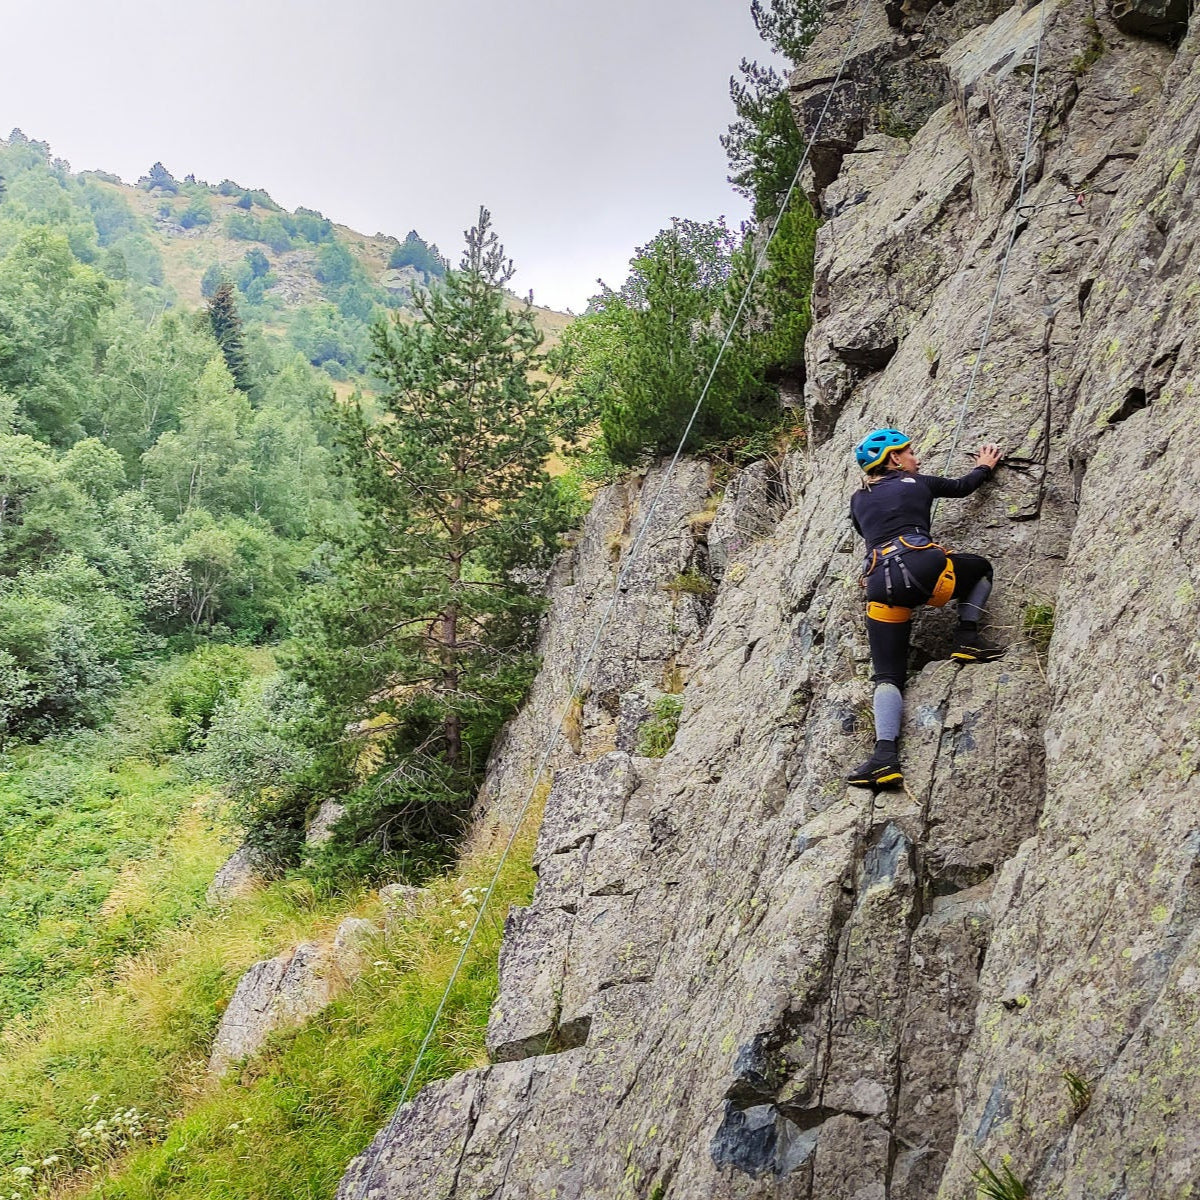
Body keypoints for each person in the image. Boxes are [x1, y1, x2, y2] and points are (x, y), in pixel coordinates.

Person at [846, 427, 1005, 787]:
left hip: (880, 584)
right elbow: (963, 487)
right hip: (923, 567)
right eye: (910, 452)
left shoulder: (858, 499)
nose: (916, 459)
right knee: (980, 568)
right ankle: (966, 638)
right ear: (894, 459)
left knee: (888, 676)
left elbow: (869, 530)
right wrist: (984, 465)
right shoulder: (917, 482)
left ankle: (884, 759)